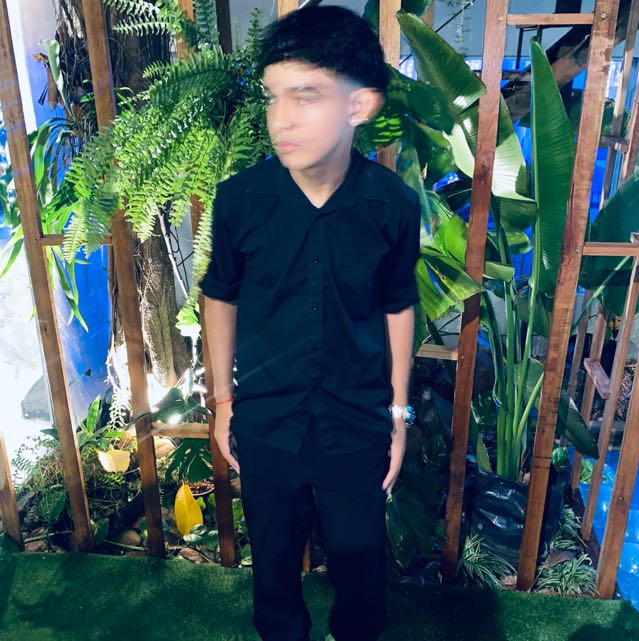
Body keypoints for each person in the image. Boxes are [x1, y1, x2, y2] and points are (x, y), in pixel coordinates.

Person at [199, 5, 421, 641]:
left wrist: (398, 414)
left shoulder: (392, 205)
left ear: (359, 105)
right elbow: (220, 296)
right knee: (272, 565)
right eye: (273, 97)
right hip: (267, 418)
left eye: (305, 96)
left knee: (361, 563)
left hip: (356, 419)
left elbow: (398, 302)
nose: (281, 119)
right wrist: (223, 404)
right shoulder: (240, 199)